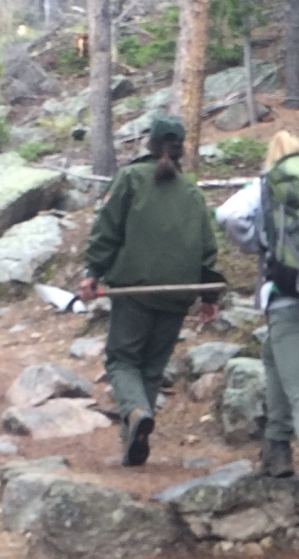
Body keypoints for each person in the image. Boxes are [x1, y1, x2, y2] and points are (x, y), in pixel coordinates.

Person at [214, 130, 299, 558]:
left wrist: (259, 243)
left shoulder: (266, 185)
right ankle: (275, 449)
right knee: (273, 354)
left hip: (289, 301)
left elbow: (227, 215)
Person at [78, 114, 223, 467]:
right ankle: (133, 444)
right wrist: (210, 296)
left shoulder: (130, 178)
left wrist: (93, 272)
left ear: (150, 143)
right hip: (178, 293)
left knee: (122, 359)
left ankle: (138, 411)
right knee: (152, 368)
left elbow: (107, 229)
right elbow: (208, 245)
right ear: (180, 147)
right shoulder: (191, 191)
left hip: (135, 290)